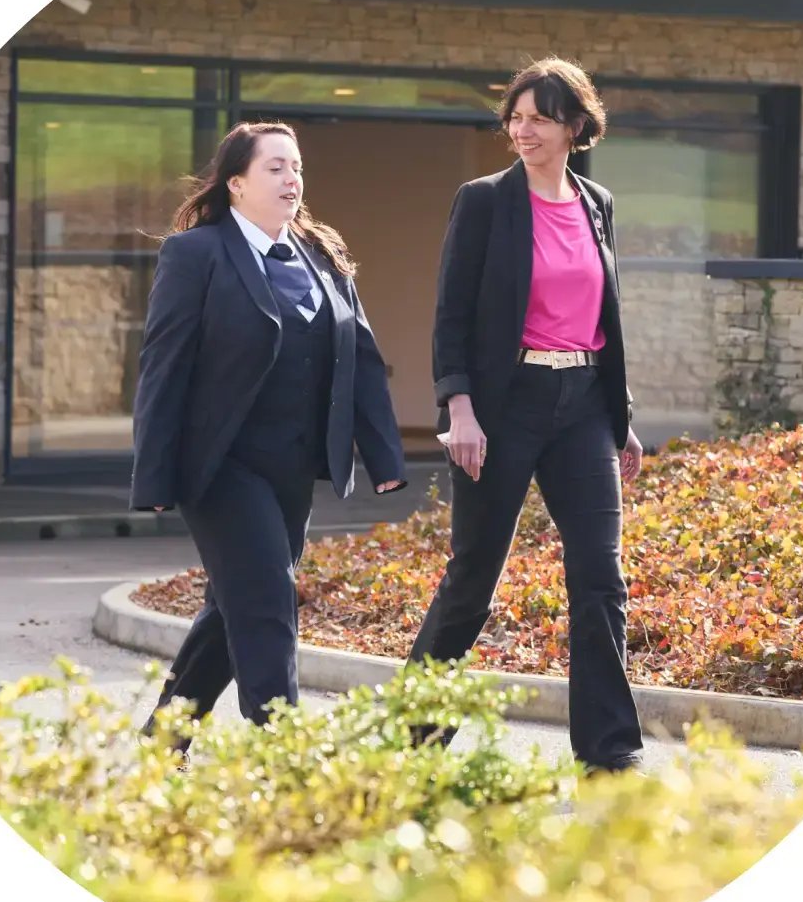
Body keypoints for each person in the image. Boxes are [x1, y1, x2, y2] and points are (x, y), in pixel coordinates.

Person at [132, 120, 407, 753]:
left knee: (234, 607)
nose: (292, 179)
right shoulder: (196, 254)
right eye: (275, 168)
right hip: (221, 466)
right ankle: (281, 758)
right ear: (236, 184)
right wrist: (153, 473)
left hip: (292, 470)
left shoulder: (323, 253)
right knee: (267, 602)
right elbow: (163, 366)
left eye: (297, 167)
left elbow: (359, 357)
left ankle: (159, 747)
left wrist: (383, 455)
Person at [407, 57, 645, 773]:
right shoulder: (483, 202)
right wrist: (460, 409)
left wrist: (618, 415)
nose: (522, 129)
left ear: (574, 125)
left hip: (582, 408)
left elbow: (602, 315)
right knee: (472, 578)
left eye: (538, 117)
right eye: (514, 116)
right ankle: (411, 734)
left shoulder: (596, 202)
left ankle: (606, 746)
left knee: (600, 577)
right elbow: (451, 315)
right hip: (502, 408)